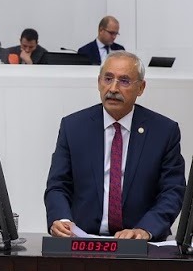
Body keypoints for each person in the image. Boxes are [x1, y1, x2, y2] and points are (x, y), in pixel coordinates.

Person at [45, 51, 185, 240]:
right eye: (108, 79)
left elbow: (172, 190)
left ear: (141, 88)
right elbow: (58, 185)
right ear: (99, 82)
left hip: (138, 242)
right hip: (83, 239)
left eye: (124, 81)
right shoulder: (73, 127)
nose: (113, 88)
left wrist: (145, 229)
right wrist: (62, 220)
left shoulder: (163, 131)